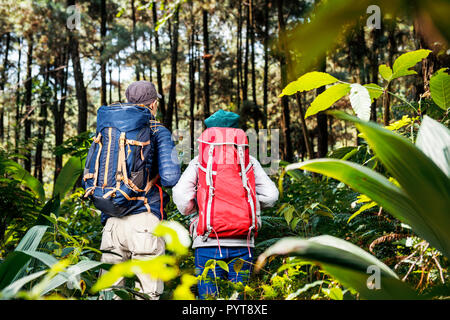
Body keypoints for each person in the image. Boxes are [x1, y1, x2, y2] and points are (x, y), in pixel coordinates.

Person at [83, 81, 180, 299]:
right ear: (154, 104)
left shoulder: (109, 131)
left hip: (111, 221)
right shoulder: (158, 131)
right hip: (145, 222)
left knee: (110, 293)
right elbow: (171, 177)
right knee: (147, 293)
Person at [172, 109, 279, 299]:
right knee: (237, 298)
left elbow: (180, 196)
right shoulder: (249, 163)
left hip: (206, 242)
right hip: (243, 242)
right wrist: (246, 205)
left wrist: (199, 208)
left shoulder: (199, 162)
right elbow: (271, 196)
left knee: (209, 299)